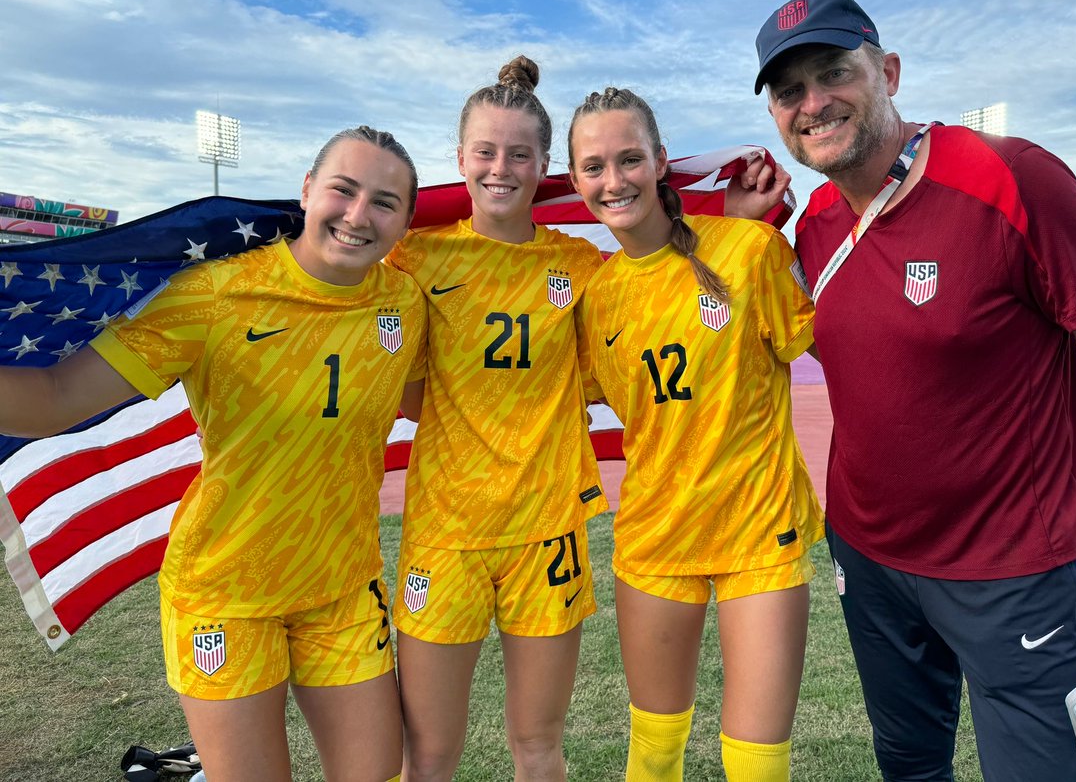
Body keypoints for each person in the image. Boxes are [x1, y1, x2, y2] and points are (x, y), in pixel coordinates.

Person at [731, 0, 1076, 780]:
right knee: (908, 766)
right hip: (869, 559)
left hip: (1010, 569)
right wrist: (746, 226)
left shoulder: (1010, 176)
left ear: (888, 73)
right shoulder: (814, 224)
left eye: (834, 73)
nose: (812, 103)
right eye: (788, 90)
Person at [0, 125, 427, 782]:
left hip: (343, 588)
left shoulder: (403, 301)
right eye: (343, 190)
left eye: (384, 202)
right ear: (307, 190)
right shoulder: (216, 293)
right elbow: (57, 397)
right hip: (225, 594)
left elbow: (431, 402)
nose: (358, 215)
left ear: (405, 221)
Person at [568, 86, 823, 782]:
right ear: (576, 181)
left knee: (757, 765)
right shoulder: (595, 297)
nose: (613, 180)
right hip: (655, 537)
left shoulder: (748, 250)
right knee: (654, 754)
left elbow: (840, 349)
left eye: (629, 159)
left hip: (757, 531)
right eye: (594, 166)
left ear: (659, 162)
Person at [386, 57, 607, 782]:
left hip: (548, 529)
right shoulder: (416, 259)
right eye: (485, 152)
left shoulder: (580, 264)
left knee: (538, 745)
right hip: (446, 534)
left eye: (519, 154)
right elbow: (404, 392)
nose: (500, 168)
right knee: (429, 754)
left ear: (545, 166)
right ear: (460, 159)